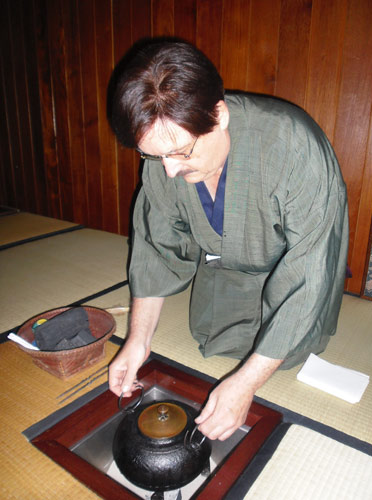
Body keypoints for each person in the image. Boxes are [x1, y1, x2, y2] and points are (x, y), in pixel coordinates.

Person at [107, 39, 349, 441]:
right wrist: (137, 340)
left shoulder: (293, 146)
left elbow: (311, 271)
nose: (168, 171)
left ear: (218, 115)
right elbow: (156, 250)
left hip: (300, 276)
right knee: (210, 340)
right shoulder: (165, 158)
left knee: (283, 358)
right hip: (229, 270)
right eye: (154, 156)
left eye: (181, 153)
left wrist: (247, 384)